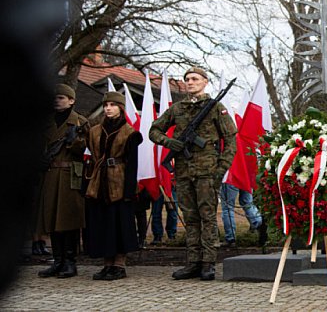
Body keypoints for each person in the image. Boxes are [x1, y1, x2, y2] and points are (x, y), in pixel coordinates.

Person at [150, 68, 237, 281]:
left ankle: (208, 263)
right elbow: (154, 130)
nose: (190, 82)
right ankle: (193, 262)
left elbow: (231, 140)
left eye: (195, 79)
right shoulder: (177, 109)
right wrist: (170, 142)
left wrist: (220, 170)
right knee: (190, 218)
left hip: (208, 172)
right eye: (187, 79)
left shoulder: (215, 107)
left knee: (207, 217)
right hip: (183, 171)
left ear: (205, 82)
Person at [84, 92, 142, 280]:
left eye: (113, 105)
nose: (108, 108)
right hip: (99, 181)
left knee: (119, 223)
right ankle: (107, 264)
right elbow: (92, 158)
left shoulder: (130, 133)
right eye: (106, 105)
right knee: (102, 222)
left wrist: (129, 190)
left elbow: (132, 164)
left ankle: (119, 264)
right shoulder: (94, 131)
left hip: (120, 180)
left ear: (121, 107)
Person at [37, 84, 89, 279]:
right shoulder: (46, 122)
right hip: (50, 174)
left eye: (61, 98)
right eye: (55, 97)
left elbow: (85, 149)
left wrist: (74, 140)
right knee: (52, 219)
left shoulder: (80, 122)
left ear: (71, 100)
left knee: (69, 219)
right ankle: (57, 260)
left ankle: (70, 262)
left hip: (70, 175)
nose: (57, 101)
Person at [220, 181, 263, 247]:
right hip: (246, 176)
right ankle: (259, 225)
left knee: (228, 207)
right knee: (248, 203)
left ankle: (230, 239)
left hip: (231, 177)